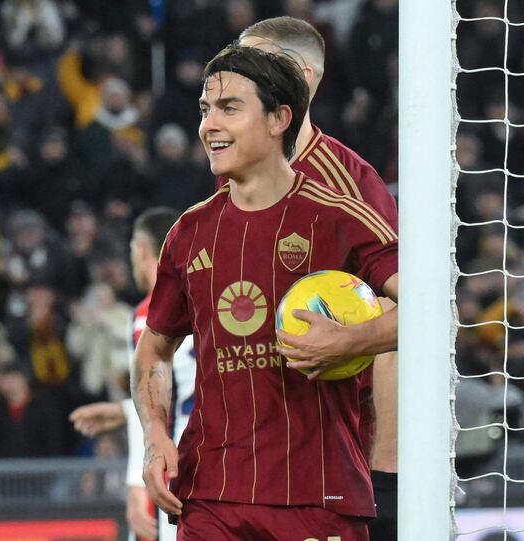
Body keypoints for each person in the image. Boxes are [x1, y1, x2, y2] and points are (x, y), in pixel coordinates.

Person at [133, 44, 398, 540]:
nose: (209, 125)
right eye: (205, 110)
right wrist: (154, 434)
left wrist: (351, 340)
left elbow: (432, 310)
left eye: (229, 108)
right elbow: (154, 350)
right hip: (210, 494)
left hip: (318, 493)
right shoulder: (188, 234)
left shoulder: (340, 218)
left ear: (279, 119)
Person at [234, 16, 400, 540]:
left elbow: (409, 310)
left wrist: (387, 474)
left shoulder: (348, 184)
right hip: (252, 451)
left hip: (331, 457)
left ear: (301, 78)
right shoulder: (236, 172)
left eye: (252, 63)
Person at [70, 207, 195, 541]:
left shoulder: (150, 314)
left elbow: (156, 401)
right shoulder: (206, 299)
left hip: (174, 464)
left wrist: (136, 486)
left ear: (141, 249)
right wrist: (124, 410)